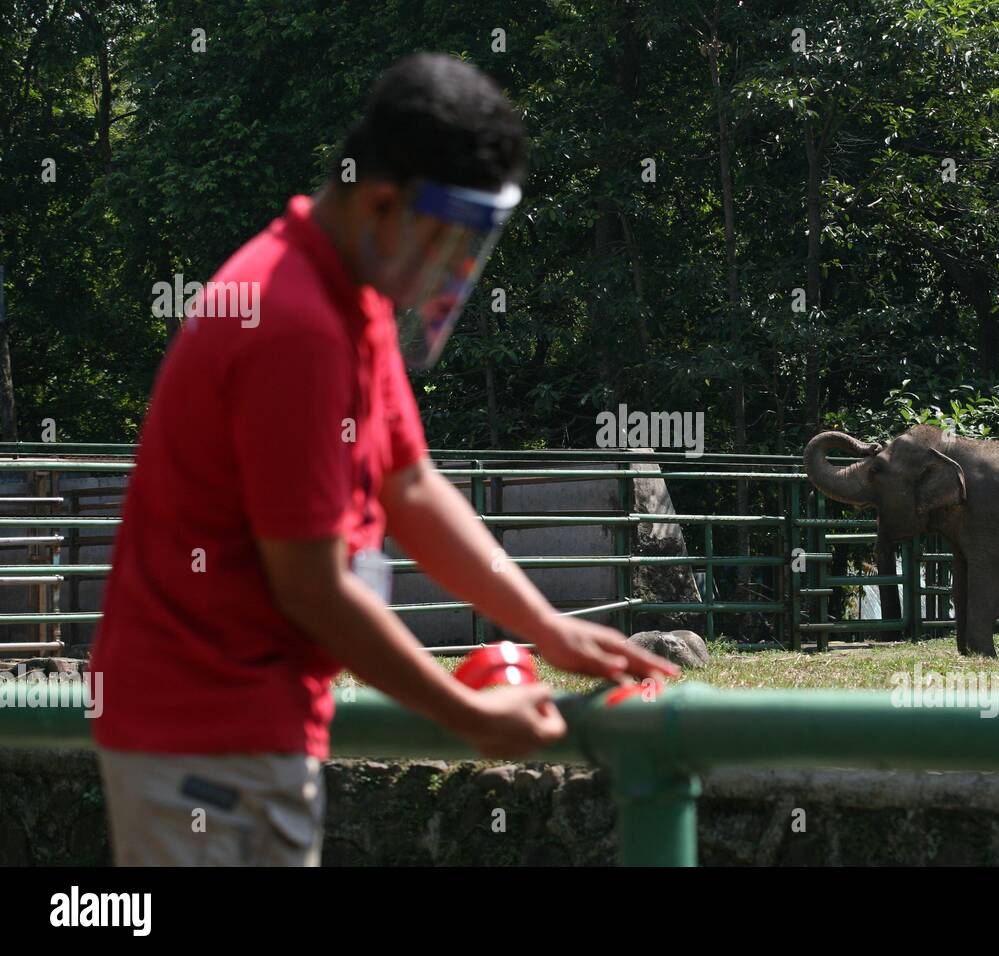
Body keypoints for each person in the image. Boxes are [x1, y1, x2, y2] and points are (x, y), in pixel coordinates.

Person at [89, 52, 678, 867]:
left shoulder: (348, 291)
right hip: (202, 749)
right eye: (449, 245)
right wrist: (464, 716)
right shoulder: (292, 324)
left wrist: (543, 625)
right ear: (382, 203)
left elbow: (410, 484)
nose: (450, 275)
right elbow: (312, 583)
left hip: (245, 732)